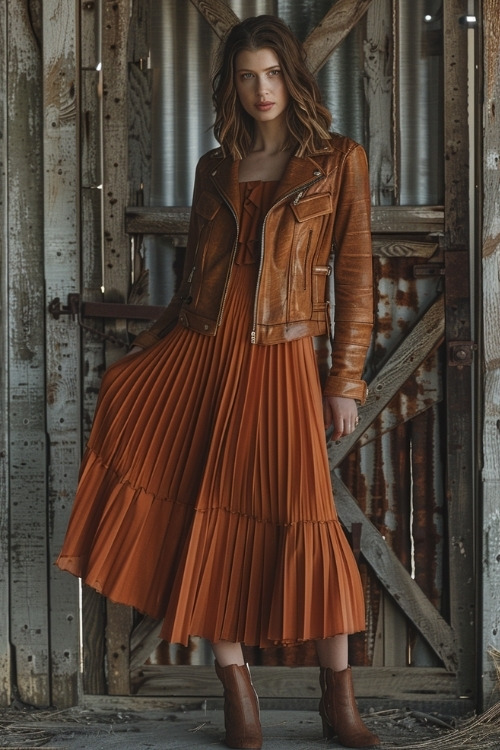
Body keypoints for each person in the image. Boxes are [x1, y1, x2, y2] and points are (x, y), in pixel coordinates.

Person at [57, 14, 378, 750]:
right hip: (204, 349)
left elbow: (358, 277)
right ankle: (237, 690)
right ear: (230, 86)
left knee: (307, 518)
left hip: (283, 355)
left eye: (271, 73)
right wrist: (145, 352)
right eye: (246, 75)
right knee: (207, 515)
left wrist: (346, 379)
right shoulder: (214, 166)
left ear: (290, 78)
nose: (260, 88)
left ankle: (340, 700)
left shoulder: (336, 159)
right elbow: (192, 282)